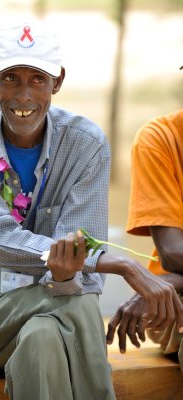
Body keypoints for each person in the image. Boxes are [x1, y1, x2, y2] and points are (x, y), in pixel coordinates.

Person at [0, 21, 182, 400]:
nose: (24, 95)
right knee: (76, 305)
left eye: (38, 79)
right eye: (10, 78)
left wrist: (64, 277)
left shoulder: (84, 143)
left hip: (53, 315)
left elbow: (79, 274)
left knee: (43, 337)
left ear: (57, 81)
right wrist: (123, 265)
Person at [107, 75, 183, 373]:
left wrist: (165, 281)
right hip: (174, 299)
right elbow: (174, 253)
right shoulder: (160, 137)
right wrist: (166, 283)